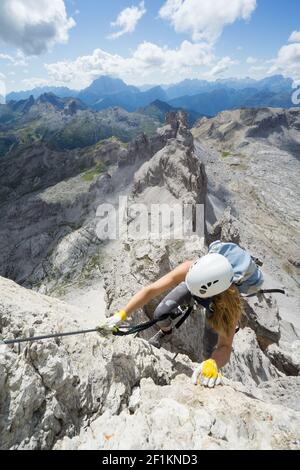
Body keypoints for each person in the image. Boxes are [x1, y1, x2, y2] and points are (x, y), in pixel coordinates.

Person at [100, 241, 264, 388]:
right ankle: (166, 333)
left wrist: (213, 363)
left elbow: (224, 346)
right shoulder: (190, 269)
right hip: (201, 286)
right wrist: (121, 315)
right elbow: (151, 290)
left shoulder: (229, 305)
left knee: (208, 349)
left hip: (218, 303)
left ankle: (205, 365)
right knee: (161, 313)